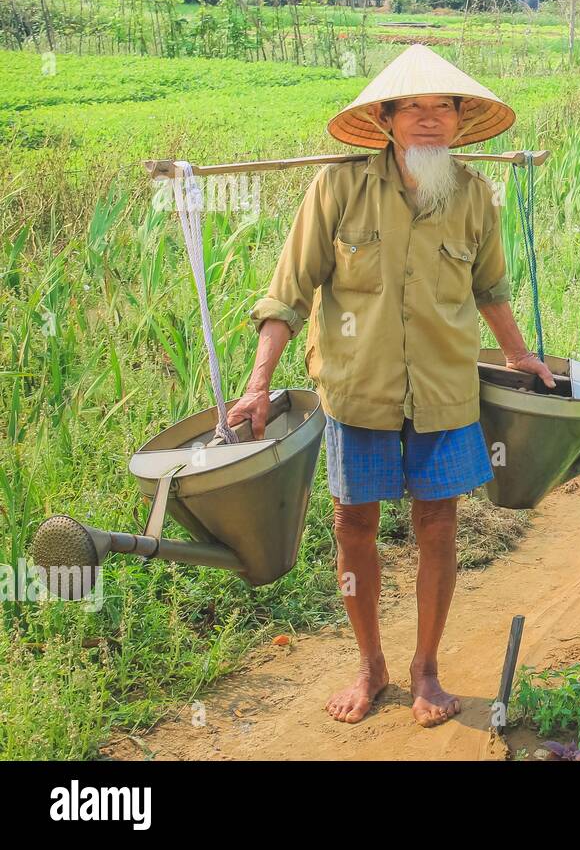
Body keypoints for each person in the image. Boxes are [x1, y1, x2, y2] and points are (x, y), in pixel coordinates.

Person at [225, 45, 555, 727]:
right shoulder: (337, 188)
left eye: (443, 108)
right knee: (354, 525)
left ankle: (425, 668)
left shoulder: (473, 196)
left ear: (461, 122)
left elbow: (489, 286)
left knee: (438, 522)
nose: (429, 120)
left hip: (444, 390)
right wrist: (259, 383)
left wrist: (519, 353)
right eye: (415, 108)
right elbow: (287, 294)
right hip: (357, 389)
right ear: (387, 119)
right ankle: (370, 664)